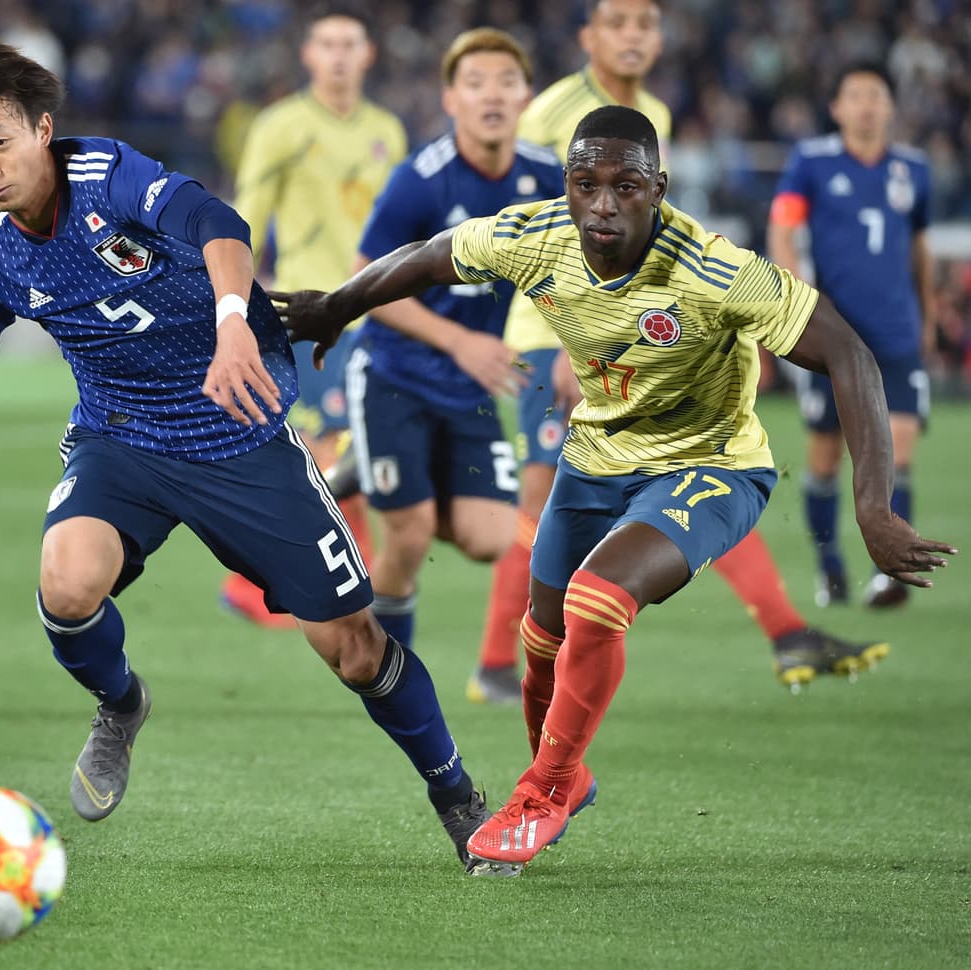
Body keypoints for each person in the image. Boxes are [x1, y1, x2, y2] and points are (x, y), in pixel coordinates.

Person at [0, 38, 499, 871]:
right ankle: (121, 703)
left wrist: (234, 324)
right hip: (121, 438)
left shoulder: (106, 174)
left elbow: (219, 223)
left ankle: (456, 793)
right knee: (66, 583)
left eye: (0, 141)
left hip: (237, 429)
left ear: (42, 129)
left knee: (353, 649)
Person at [274, 105, 954, 872]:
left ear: (657, 188)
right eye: (584, 182)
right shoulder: (537, 238)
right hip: (596, 456)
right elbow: (431, 256)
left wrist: (873, 504)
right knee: (542, 641)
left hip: (711, 463)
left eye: (625, 186)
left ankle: (545, 789)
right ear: (566, 183)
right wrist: (336, 305)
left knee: (598, 601)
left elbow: (849, 354)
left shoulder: (713, 270)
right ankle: (565, 775)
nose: (602, 203)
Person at [472, 0, 886, 702]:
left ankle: (786, 633)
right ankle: (494, 664)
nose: (633, 36)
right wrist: (573, 351)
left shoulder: (652, 116)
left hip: (628, 341)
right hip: (557, 340)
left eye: (645, 24)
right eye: (618, 23)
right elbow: (541, 233)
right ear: (588, 36)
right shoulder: (552, 113)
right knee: (548, 500)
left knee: (690, 472)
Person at [344, 28, 562, 655]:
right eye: (475, 83)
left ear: (527, 96)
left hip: (467, 388)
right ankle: (387, 672)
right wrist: (460, 341)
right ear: (451, 99)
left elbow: (576, 271)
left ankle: (380, 468)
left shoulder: (548, 179)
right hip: (395, 375)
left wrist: (576, 346)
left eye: (505, 82)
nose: (491, 95)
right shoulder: (420, 179)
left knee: (493, 537)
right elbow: (364, 285)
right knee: (407, 538)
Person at [223, 4, 407, 627]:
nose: (337, 54)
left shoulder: (388, 130)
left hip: (374, 312)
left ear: (367, 54)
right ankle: (302, 586)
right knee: (326, 448)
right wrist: (246, 298)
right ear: (308, 55)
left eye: (348, 43)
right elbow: (243, 216)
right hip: (305, 309)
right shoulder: (280, 125)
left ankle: (299, 582)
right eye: (325, 43)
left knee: (358, 450)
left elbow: (402, 229)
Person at [767, 62, 935, 610]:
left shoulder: (914, 169)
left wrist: (928, 314)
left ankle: (890, 574)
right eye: (855, 94)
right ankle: (830, 567)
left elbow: (920, 250)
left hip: (897, 334)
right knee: (824, 458)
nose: (866, 105)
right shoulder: (811, 162)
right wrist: (795, 299)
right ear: (837, 107)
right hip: (832, 338)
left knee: (898, 451)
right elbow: (783, 230)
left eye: (876, 95)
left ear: (890, 107)